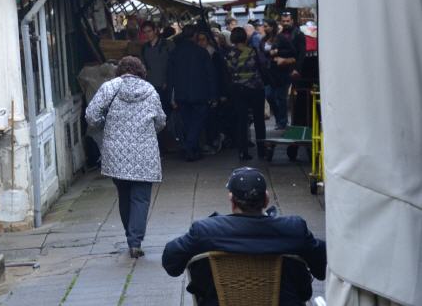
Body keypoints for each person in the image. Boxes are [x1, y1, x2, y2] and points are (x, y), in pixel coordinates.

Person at [162, 167, 326, 306]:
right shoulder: (294, 230)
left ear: (232, 201)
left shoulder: (205, 231)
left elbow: (171, 262)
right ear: (266, 199)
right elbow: (323, 266)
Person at [85, 56, 165, 259]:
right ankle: (135, 241)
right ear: (140, 71)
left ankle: (130, 236)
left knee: (124, 195)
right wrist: (147, 130)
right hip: (144, 153)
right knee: (141, 198)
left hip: (116, 153)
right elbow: (160, 121)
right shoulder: (150, 90)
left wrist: (107, 123)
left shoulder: (109, 87)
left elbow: (91, 116)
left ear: (119, 70)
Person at [168, 25, 217, 161]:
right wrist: (213, 95)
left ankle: (192, 149)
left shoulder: (175, 53)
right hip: (200, 94)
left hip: (181, 94)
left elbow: (171, 76)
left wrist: (171, 96)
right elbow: (210, 75)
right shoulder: (201, 52)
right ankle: (190, 147)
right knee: (197, 122)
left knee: (189, 123)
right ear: (194, 36)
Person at [227, 28, 267, 162]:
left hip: (238, 90)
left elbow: (229, 71)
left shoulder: (230, 54)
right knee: (259, 120)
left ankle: (243, 152)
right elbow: (263, 65)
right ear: (245, 38)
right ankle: (262, 150)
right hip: (256, 88)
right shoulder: (253, 51)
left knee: (241, 121)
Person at [139, 20, 172, 106]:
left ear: (155, 30)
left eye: (149, 31)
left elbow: (173, 65)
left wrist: (167, 81)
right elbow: (143, 67)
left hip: (166, 85)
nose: (147, 34)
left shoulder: (167, 45)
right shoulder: (144, 48)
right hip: (151, 84)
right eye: (145, 32)